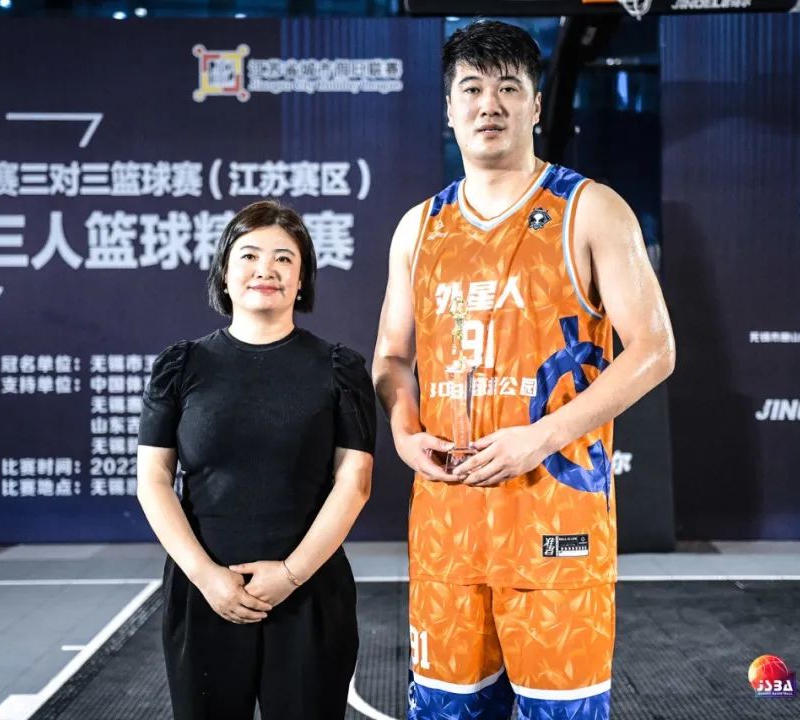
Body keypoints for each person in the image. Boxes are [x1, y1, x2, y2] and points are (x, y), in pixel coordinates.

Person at [372, 20, 675, 720]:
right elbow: (391, 357)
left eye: (509, 88)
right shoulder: (419, 227)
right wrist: (404, 432)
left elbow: (655, 350)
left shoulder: (590, 209)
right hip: (448, 533)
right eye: (471, 89)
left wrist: (540, 437)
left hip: (556, 531)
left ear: (536, 105)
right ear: (448, 109)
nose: (490, 104)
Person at [136, 199, 375, 720]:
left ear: (302, 279)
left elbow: (354, 481)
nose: (266, 269)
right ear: (224, 273)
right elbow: (153, 479)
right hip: (204, 593)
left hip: (310, 592)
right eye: (248, 255)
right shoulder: (181, 366)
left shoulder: (340, 368)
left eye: (284, 258)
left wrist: (290, 574)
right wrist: (206, 576)